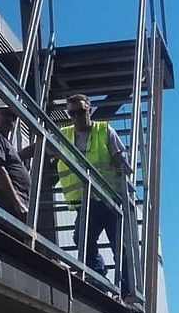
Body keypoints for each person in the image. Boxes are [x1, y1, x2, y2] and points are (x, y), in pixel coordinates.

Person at [56, 94, 130, 283]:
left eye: (81, 112)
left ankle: (126, 288)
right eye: (72, 113)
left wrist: (123, 191)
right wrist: (16, 156)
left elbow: (121, 162)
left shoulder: (104, 130)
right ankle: (97, 273)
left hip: (109, 200)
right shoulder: (65, 134)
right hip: (86, 201)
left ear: (89, 110)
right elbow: (42, 144)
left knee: (119, 246)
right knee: (81, 238)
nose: (76, 117)